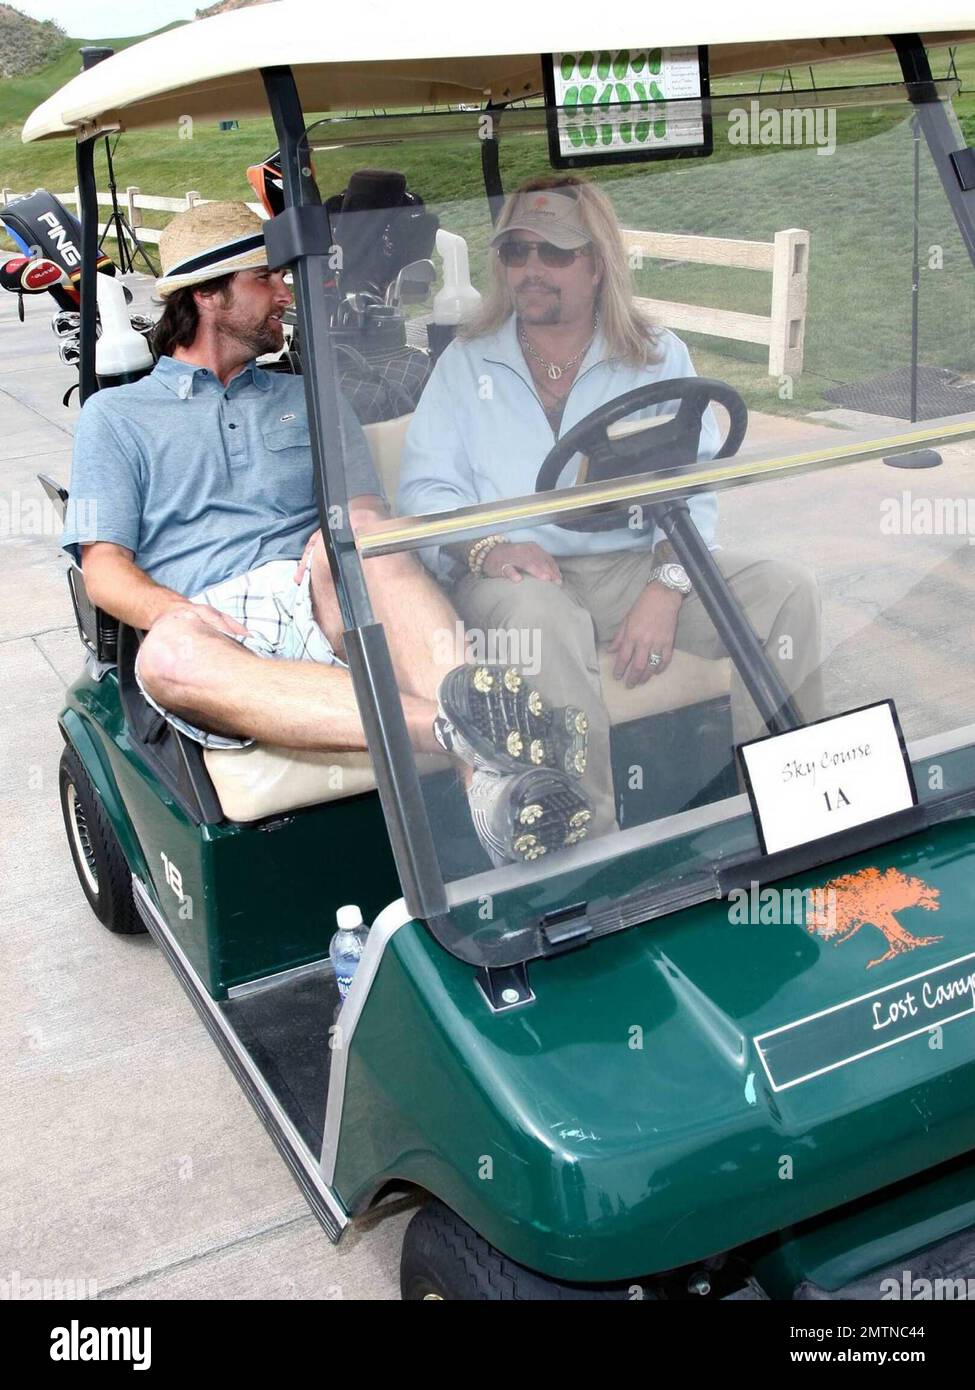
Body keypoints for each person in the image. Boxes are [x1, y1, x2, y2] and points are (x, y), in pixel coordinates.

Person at [60, 200, 593, 865]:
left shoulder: (308, 397)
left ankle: (488, 794)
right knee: (163, 658)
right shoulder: (117, 417)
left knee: (367, 534)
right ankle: (473, 735)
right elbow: (104, 567)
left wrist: (345, 535)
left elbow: (366, 513)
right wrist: (183, 614)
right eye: (266, 279)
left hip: (321, 598)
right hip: (212, 623)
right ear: (206, 294)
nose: (287, 292)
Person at [398, 174, 823, 838]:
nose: (530, 270)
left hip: (632, 563)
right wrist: (485, 547)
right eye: (516, 251)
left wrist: (667, 583)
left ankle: (789, 809)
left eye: (555, 253)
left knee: (784, 591)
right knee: (540, 619)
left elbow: (691, 483)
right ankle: (587, 848)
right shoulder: (466, 361)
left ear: (597, 264)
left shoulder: (653, 356)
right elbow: (425, 492)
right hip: (514, 578)